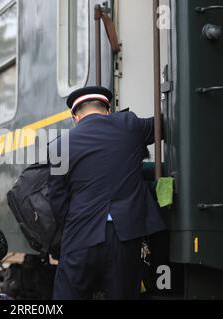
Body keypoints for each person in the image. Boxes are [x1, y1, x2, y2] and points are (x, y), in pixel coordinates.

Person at [49, 86, 166, 300]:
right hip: (125, 237)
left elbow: (57, 199)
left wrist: (76, 225)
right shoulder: (130, 124)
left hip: (80, 237)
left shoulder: (59, 146)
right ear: (108, 110)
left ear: (75, 116)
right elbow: (163, 125)